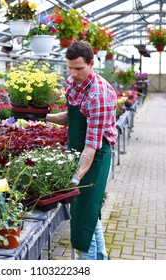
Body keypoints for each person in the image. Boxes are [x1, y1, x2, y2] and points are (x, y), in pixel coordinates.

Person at [45, 40, 118, 260]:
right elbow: (70, 118)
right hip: (78, 151)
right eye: (70, 67)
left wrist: (74, 179)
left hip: (95, 157)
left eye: (79, 68)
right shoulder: (72, 83)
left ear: (92, 63)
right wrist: (40, 116)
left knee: (82, 216)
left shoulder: (100, 95)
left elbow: (92, 145)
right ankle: (102, 259)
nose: (74, 73)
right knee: (88, 214)